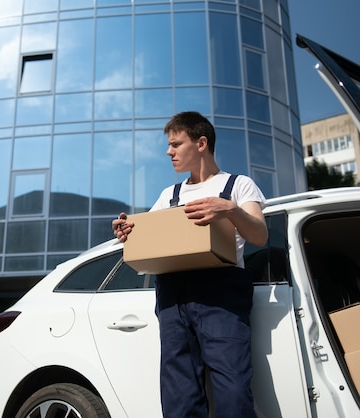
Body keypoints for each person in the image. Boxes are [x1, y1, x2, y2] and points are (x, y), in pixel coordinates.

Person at [112, 111, 267, 418]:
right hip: (172, 296)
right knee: (178, 395)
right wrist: (126, 231)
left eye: (175, 144)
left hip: (221, 293)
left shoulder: (239, 185)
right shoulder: (169, 194)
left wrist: (230, 210)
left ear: (201, 143)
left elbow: (260, 235)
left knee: (232, 388)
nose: (168, 152)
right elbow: (147, 236)